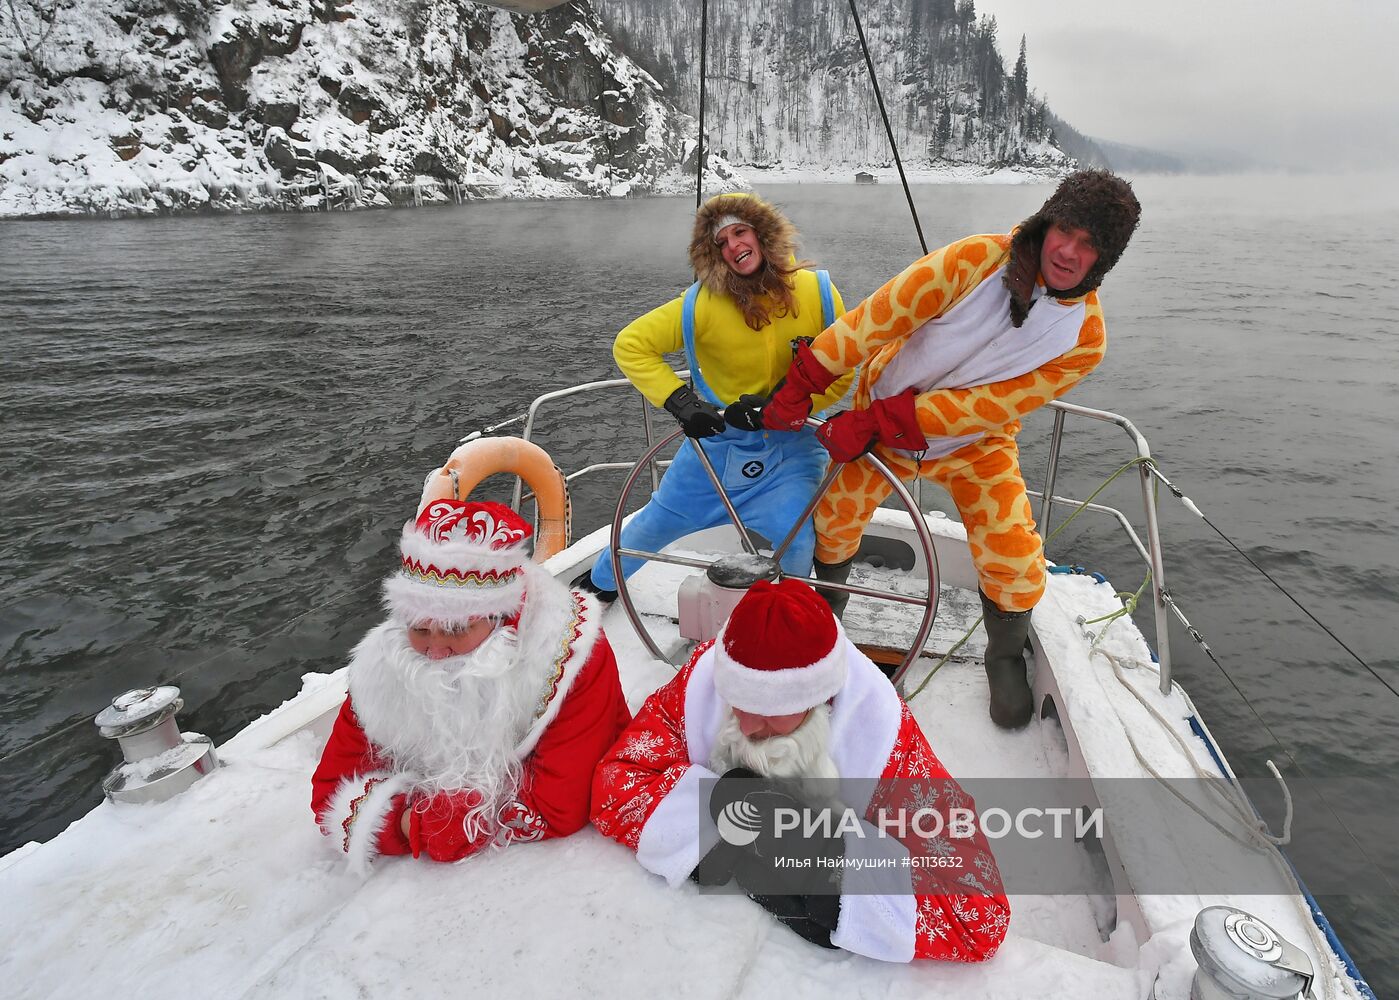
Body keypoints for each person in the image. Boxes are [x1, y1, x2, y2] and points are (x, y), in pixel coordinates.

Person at [756, 170, 1142, 729]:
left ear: (1102, 262)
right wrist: (802, 383)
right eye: (1067, 231)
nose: (1068, 252)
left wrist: (873, 423)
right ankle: (828, 614)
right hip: (880, 407)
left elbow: (993, 406)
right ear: (1048, 222)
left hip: (973, 443)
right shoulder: (974, 260)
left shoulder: (1084, 340)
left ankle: (1004, 653)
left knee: (1011, 548)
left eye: (1089, 247)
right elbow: (877, 318)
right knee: (835, 518)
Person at [591, 578, 1010, 963]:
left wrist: (826, 867)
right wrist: (723, 824)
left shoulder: (886, 742)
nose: (750, 726)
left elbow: (980, 918)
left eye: (773, 712)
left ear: (819, 699)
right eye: (738, 702)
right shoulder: (702, 683)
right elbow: (616, 781)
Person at [312, 498, 631, 872]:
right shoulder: (387, 661)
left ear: (502, 618)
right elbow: (331, 793)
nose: (434, 650)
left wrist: (427, 820)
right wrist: (424, 824)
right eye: (419, 629)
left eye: (456, 629)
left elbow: (560, 806)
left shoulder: (573, 655)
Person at [573, 192, 854, 601]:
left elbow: (841, 369)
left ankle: (792, 617)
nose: (733, 246)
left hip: (790, 452)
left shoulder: (819, 294)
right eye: (721, 243)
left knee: (797, 543)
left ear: (763, 234)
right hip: (714, 453)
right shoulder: (698, 306)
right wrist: (682, 403)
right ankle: (601, 585)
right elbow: (630, 345)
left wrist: (790, 404)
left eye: (740, 232)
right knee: (652, 526)